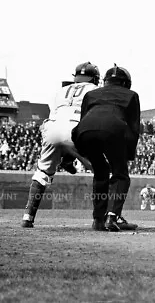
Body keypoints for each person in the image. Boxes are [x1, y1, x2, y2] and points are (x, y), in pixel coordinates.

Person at [21, 62, 99, 228]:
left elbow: (55, 113)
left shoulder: (61, 91)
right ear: (95, 78)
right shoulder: (95, 90)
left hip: (52, 127)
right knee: (100, 170)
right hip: (76, 128)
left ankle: (28, 216)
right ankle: (102, 218)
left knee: (42, 173)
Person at [72, 64, 141, 232]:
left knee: (100, 171)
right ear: (126, 83)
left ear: (105, 81)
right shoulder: (131, 95)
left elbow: (83, 119)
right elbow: (133, 128)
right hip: (114, 130)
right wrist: (127, 156)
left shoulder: (91, 94)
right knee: (120, 175)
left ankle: (97, 220)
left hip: (83, 132)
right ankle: (112, 216)